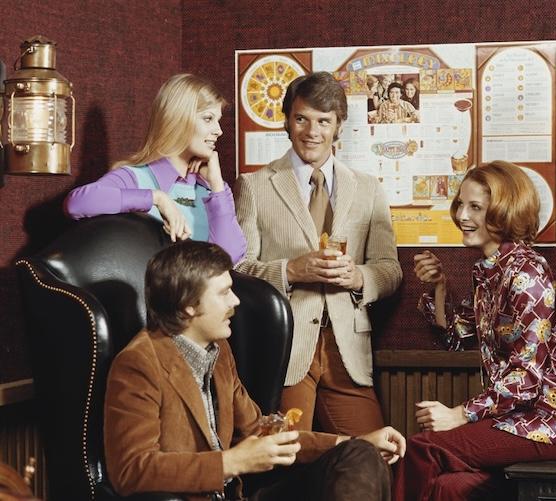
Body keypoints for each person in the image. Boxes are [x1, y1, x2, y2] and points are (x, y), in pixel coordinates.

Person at [103, 240, 405, 501]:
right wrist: (232, 462)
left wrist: (352, 441)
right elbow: (130, 470)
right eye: (224, 293)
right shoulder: (138, 364)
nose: (235, 301)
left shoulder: (219, 350)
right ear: (187, 306)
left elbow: (258, 430)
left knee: (359, 455)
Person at [393, 161, 556, 500]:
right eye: (461, 204)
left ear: (504, 211)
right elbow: (455, 337)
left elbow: (526, 379)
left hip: (551, 424)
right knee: (447, 488)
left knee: (424, 448)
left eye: (476, 207)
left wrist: (459, 415)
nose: (462, 216)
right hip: (510, 421)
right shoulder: (488, 272)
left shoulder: (527, 274)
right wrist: (439, 287)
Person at [234, 72, 402, 437]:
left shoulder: (369, 189)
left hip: (348, 351)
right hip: (284, 345)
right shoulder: (254, 186)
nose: (312, 132)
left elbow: (390, 270)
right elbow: (238, 273)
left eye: (324, 121)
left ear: (339, 126)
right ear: (286, 121)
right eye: (301, 119)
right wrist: (290, 271)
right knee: (287, 455)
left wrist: (358, 277)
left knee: (374, 456)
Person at [64, 73, 246, 264]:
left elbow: (229, 259)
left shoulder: (213, 190)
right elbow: (76, 204)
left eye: (218, 120)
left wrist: (216, 184)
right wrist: (157, 198)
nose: (219, 131)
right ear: (178, 119)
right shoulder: (135, 177)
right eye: (208, 119)